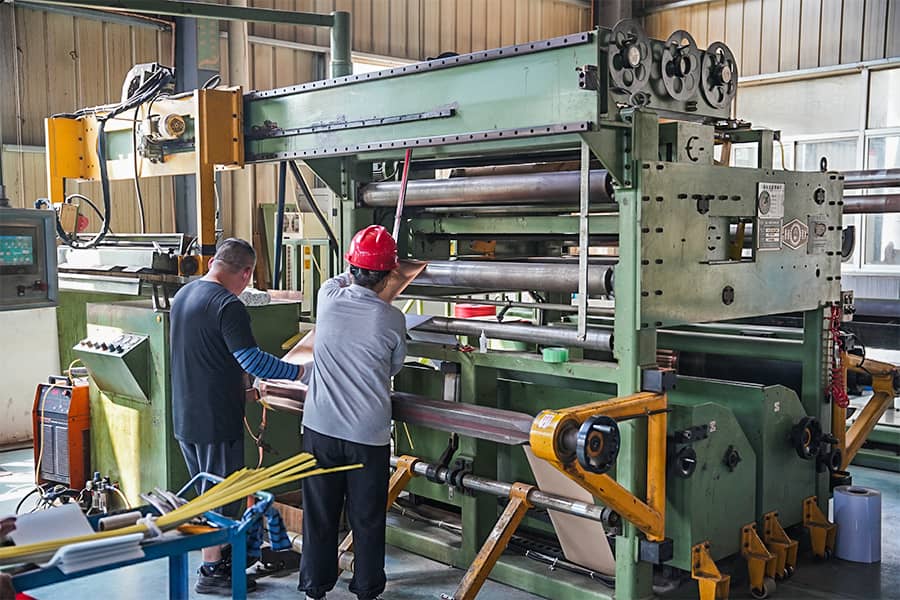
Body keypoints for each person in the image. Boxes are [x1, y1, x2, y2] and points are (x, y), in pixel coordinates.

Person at [171, 238, 305, 595]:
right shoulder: (227, 305)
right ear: (246, 274)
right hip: (215, 418)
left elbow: (206, 354)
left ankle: (230, 555)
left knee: (208, 491)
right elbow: (253, 360)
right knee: (220, 496)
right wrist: (301, 373)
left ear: (213, 262)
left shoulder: (185, 295)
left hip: (186, 414)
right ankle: (212, 570)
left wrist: (242, 387)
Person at [299, 225, 406, 600]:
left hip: (320, 427)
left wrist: (368, 265)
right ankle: (366, 589)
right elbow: (394, 367)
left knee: (319, 512)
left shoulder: (327, 297)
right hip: (366, 435)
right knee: (367, 517)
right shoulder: (392, 319)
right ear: (389, 275)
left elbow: (341, 278)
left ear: (351, 266)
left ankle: (315, 587)